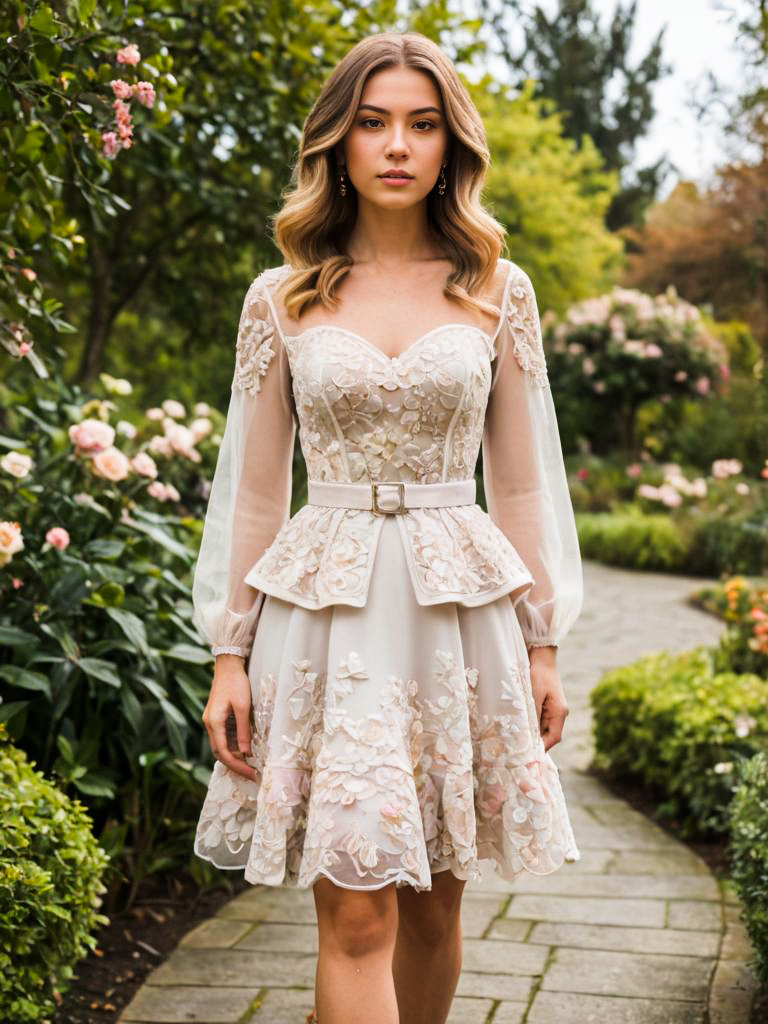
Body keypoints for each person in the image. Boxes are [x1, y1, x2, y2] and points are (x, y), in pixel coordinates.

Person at [191, 30, 583, 1024]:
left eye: (421, 124)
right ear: (339, 143)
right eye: (372, 123)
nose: (397, 146)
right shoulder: (279, 298)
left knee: (435, 904)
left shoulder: (501, 290)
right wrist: (227, 656)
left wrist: (544, 643)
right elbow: (253, 490)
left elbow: (525, 487)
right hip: (328, 616)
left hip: (461, 616)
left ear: (452, 145)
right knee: (356, 910)